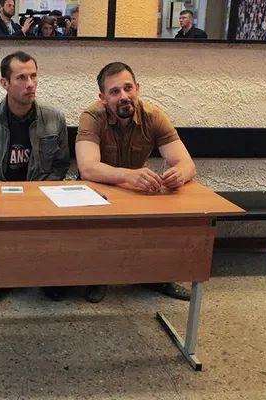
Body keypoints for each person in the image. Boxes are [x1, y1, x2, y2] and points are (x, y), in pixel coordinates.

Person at [75, 61, 197, 303]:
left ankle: (157, 276)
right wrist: (128, 175)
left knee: (167, 206)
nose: (124, 96)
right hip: (98, 191)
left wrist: (179, 174)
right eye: (114, 91)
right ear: (102, 98)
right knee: (95, 220)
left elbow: (187, 164)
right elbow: (87, 168)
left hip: (134, 191)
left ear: (137, 88)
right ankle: (97, 276)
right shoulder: (92, 116)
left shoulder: (154, 116)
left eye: (128, 88)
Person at [0, 51, 71, 305]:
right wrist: (5, 195)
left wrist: (38, 193)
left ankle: (49, 277)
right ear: (4, 83)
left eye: (34, 76)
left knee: (52, 231)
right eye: (21, 78)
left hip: (41, 194)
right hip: (1, 194)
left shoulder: (54, 118)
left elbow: (61, 164)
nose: (30, 84)